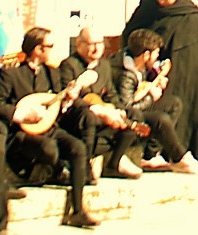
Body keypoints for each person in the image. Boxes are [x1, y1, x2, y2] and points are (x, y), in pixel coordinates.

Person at [0, 26, 99, 229]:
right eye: (49, 46)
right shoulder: (11, 73)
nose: (51, 50)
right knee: (48, 148)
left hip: (48, 128)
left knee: (78, 148)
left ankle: (78, 210)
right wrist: (21, 114)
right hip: (21, 133)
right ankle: (54, 171)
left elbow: (57, 102)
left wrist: (68, 99)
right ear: (37, 49)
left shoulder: (51, 73)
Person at [122, 0, 198, 161]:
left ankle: (168, 150)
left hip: (178, 68)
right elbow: (132, 31)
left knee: (178, 103)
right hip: (146, 63)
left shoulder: (188, 14)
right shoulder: (148, 6)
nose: (161, 1)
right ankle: (147, 151)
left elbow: (187, 50)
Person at [59, 25, 145, 180]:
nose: (96, 48)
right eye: (91, 44)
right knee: (89, 118)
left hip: (105, 113)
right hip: (80, 115)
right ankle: (87, 162)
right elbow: (69, 96)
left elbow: (111, 93)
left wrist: (118, 110)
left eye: (100, 43)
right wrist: (96, 109)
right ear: (79, 45)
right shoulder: (69, 65)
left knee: (133, 115)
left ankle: (114, 162)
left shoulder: (104, 65)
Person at [116, 28, 196, 172]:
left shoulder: (141, 68)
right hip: (133, 115)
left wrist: (158, 78)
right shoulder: (127, 74)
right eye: (155, 53)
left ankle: (151, 153)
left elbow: (144, 86)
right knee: (161, 119)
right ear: (146, 55)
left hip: (142, 106)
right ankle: (178, 157)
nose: (157, 57)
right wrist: (151, 97)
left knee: (174, 103)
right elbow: (128, 106)